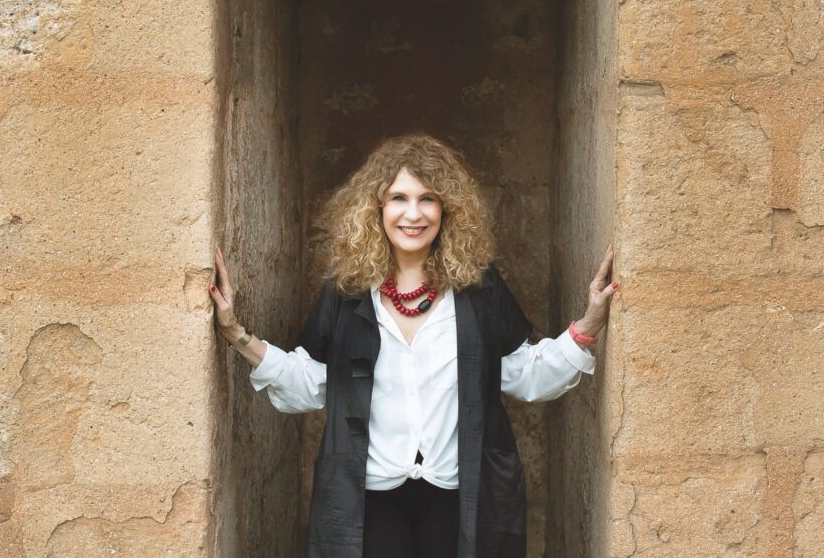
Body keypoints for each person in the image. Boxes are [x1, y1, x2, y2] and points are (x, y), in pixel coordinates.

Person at [209, 134, 617, 558]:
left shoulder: (478, 287)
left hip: (456, 494)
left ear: (447, 209)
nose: (413, 213)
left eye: (428, 199)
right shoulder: (346, 291)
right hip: (370, 498)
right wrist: (236, 333)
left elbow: (522, 373)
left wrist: (589, 323)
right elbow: (310, 384)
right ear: (377, 208)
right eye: (399, 198)